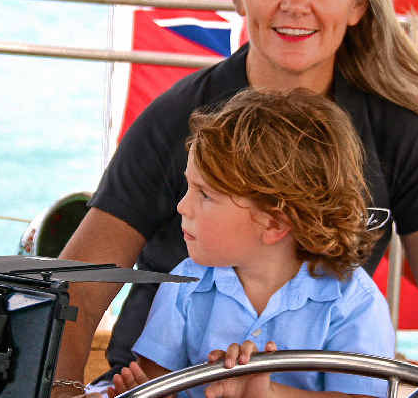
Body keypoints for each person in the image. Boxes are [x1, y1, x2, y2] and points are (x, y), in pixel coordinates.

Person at [52, 0, 418, 398]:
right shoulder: (175, 119)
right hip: (158, 385)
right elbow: (78, 292)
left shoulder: (400, 136)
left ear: (358, 3)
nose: (295, 3)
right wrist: (63, 392)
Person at [107, 87, 394, 398]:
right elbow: (155, 382)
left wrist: (268, 394)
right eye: (189, 186)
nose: (182, 206)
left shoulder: (353, 303)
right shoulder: (184, 284)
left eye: (205, 194)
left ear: (274, 222)